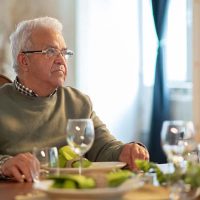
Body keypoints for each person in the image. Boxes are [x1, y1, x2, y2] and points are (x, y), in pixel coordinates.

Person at [0, 16, 149, 182]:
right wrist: (5, 164)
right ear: (24, 61)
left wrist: (125, 151)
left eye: (64, 52)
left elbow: (105, 147)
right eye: (50, 52)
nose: (61, 60)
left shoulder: (78, 102)